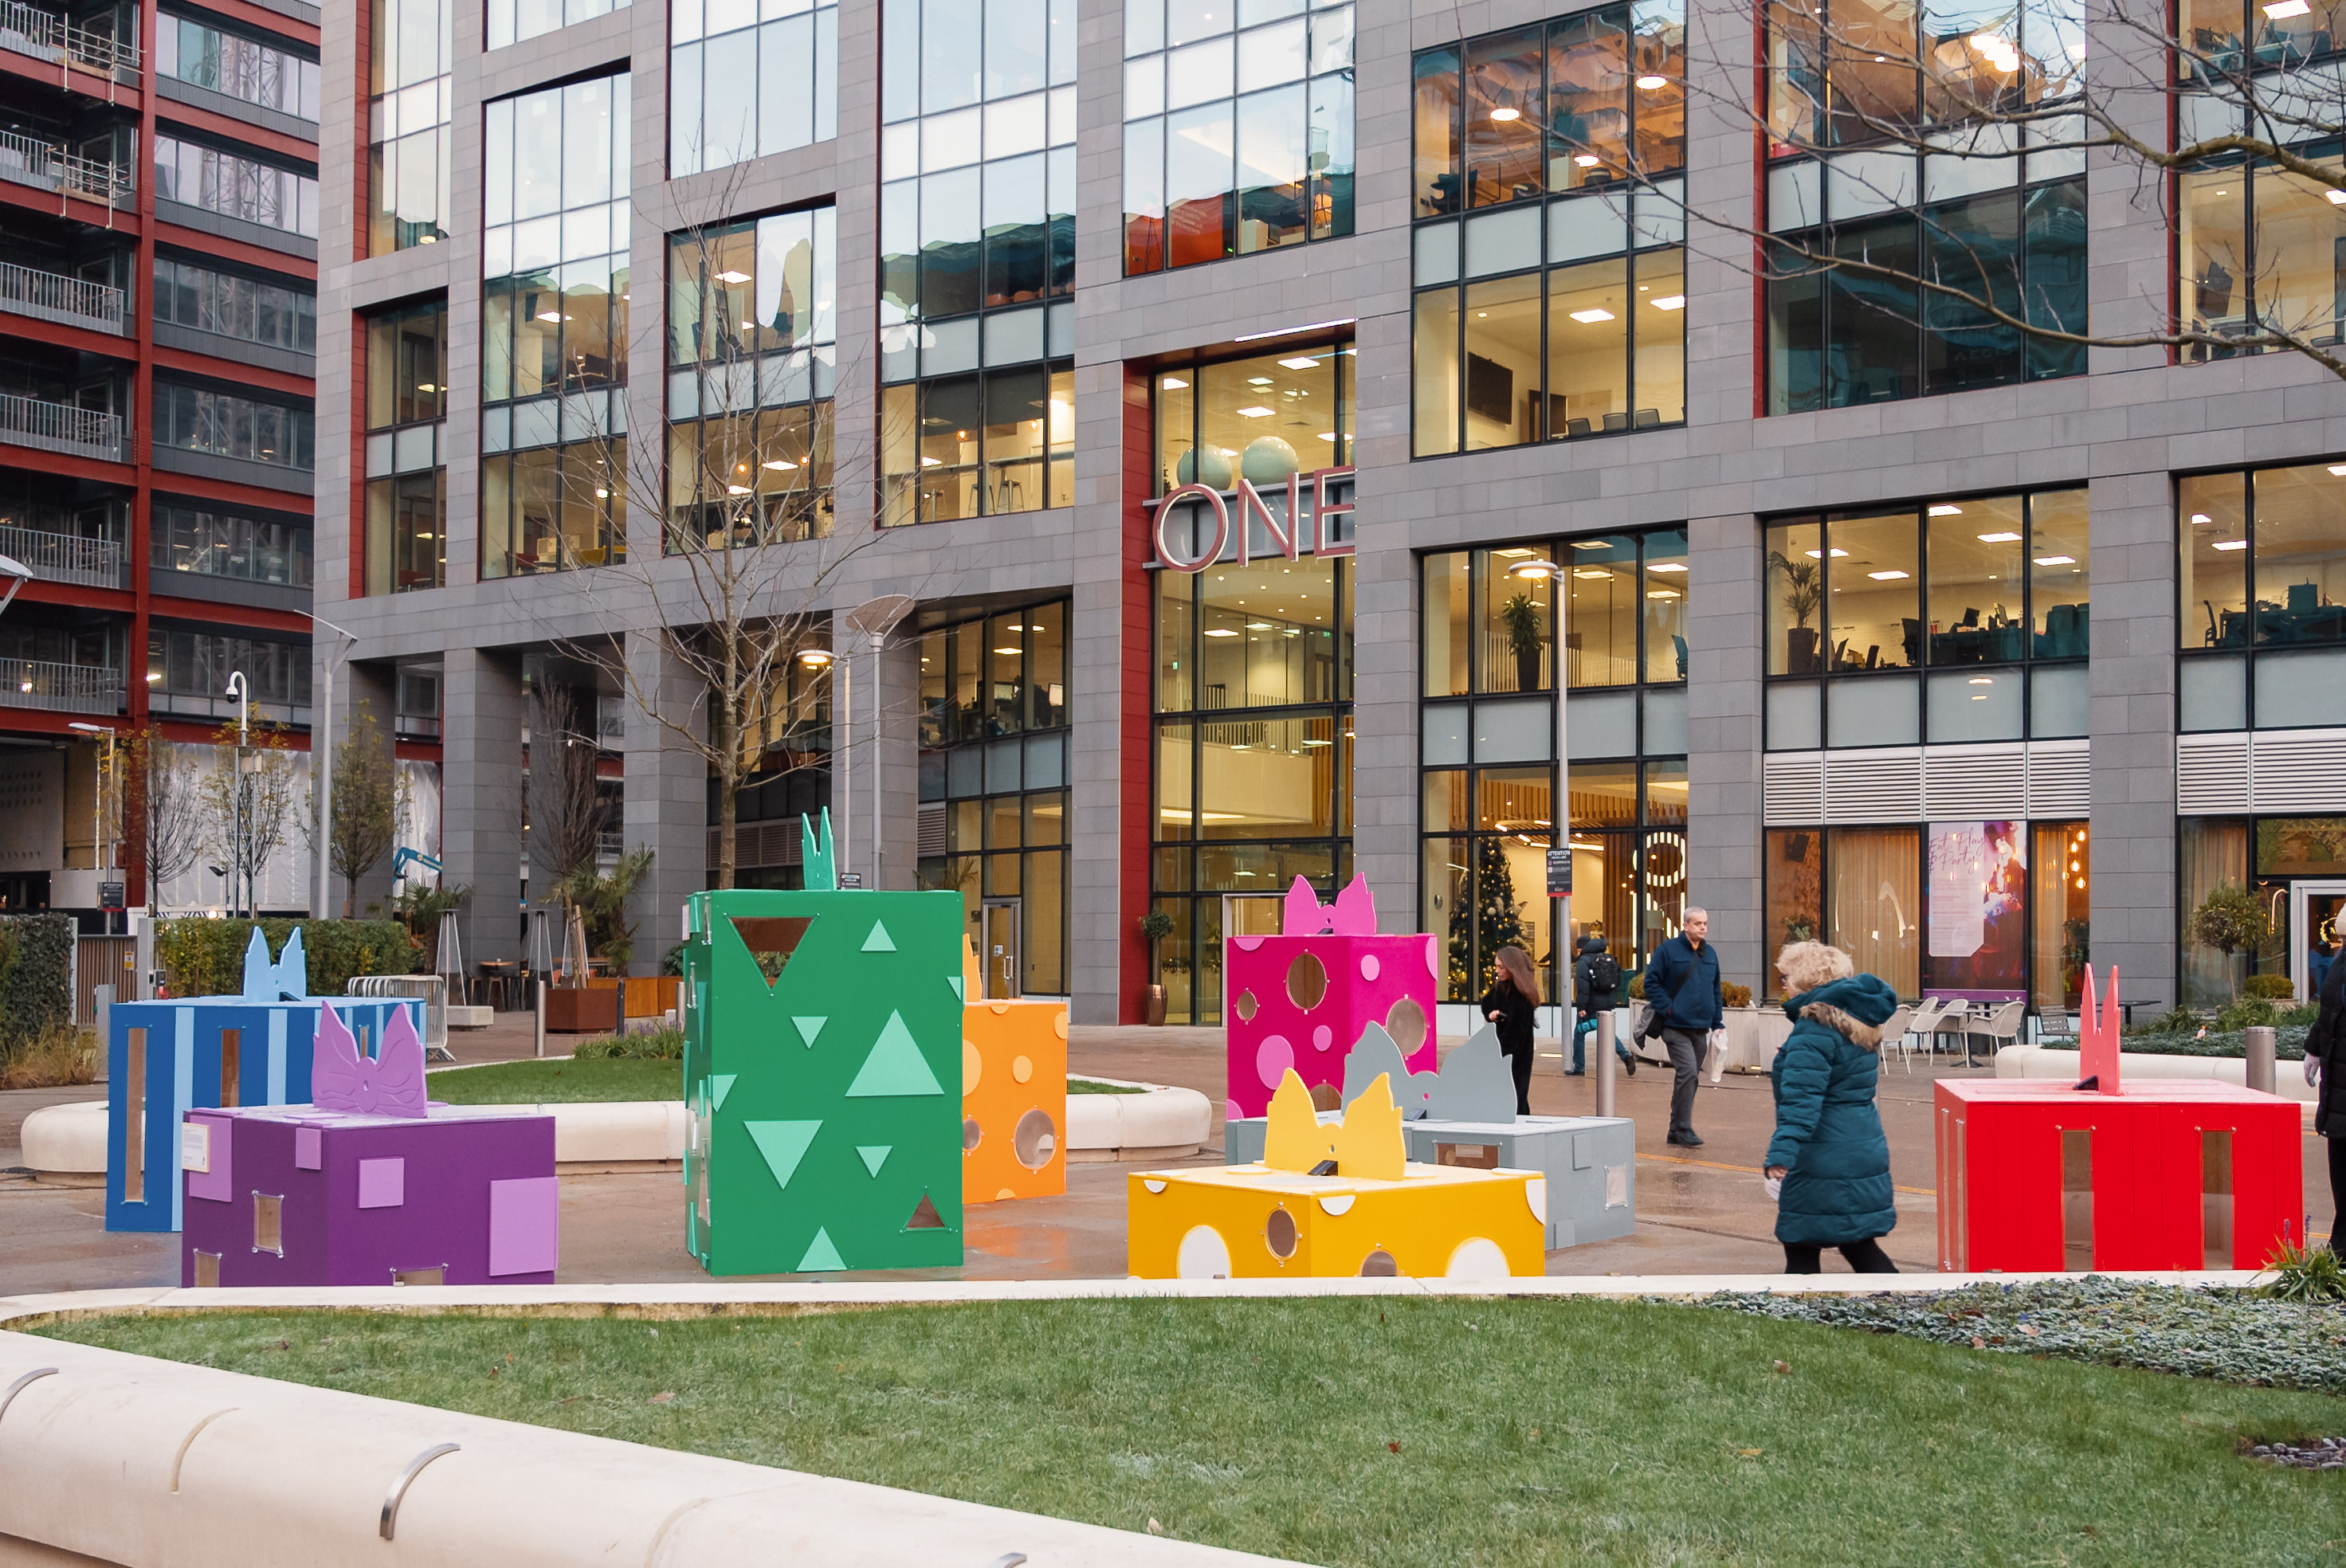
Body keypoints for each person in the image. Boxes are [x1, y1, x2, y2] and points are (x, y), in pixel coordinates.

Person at [1762, 941, 1901, 1275]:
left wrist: (1781, 1154)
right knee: (1857, 1242)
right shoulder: (1854, 1019)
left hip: (1822, 1151)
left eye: (1786, 977)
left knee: (1801, 1243)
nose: (1784, 985)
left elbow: (1802, 1101)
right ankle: (1899, 1300)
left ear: (1805, 979)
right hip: (1860, 1142)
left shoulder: (1814, 1028)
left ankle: (1801, 1309)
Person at [1642, 907, 1724, 1147]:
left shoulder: (1710, 954)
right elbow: (1651, 983)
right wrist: (1669, 1009)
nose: (1703, 927)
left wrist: (1717, 1022)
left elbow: (1715, 989)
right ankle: (1683, 1128)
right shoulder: (1667, 950)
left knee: (1690, 1078)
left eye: (1705, 923)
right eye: (1698, 923)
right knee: (1688, 1072)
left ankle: (1676, 1129)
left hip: (1701, 1028)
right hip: (1674, 1026)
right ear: (1685, 925)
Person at [2305, 945, 2346, 1252]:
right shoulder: (2342, 960)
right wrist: (2314, 1047)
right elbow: (2330, 1010)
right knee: (2342, 1183)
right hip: (2338, 1098)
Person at [1480, 944, 1541, 1117]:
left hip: (1515, 1056)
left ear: (1512, 968)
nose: (1497, 971)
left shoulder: (1521, 996)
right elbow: (1486, 1003)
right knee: (1509, 1097)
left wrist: (1498, 1055)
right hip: (1503, 1052)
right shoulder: (1501, 987)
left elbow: (1515, 1033)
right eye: (1496, 967)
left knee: (1515, 1097)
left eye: (1501, 967)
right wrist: (1492, 1014)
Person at [1571, 934, 1631, 1078]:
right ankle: (1625, 1056)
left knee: (1579, 1033)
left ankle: (1579, 1067)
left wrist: (1581, 1007)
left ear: (1582, 948)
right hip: (1608, 1004)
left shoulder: (1584, 961)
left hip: (1591, 1005)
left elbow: (1583, 987)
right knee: (1606, 1031)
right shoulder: (1607, 958)